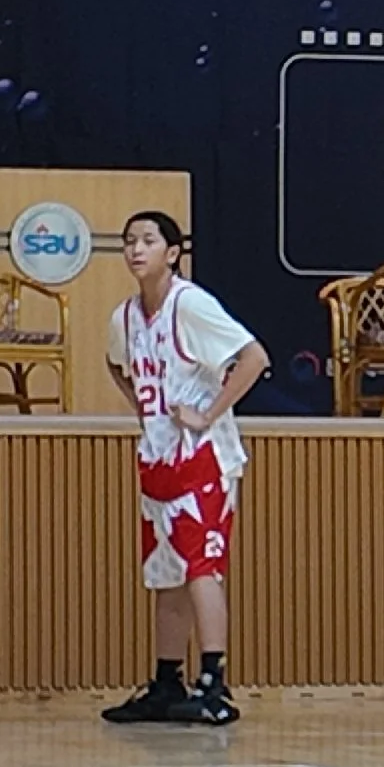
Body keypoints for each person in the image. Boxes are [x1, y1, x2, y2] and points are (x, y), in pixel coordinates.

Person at [103, 211, 268, 727]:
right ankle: (166, 680)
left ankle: (214, 684)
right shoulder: (124, 317)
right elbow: (115, 364)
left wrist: (208, 412)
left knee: (202, 569)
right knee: (166, 574)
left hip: (202, 459)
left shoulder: (191, 304)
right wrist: (144, 407)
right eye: (129, 241)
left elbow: (254, 357)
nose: (136, 249)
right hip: (156, 458)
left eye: (148, 240)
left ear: (172, 252)